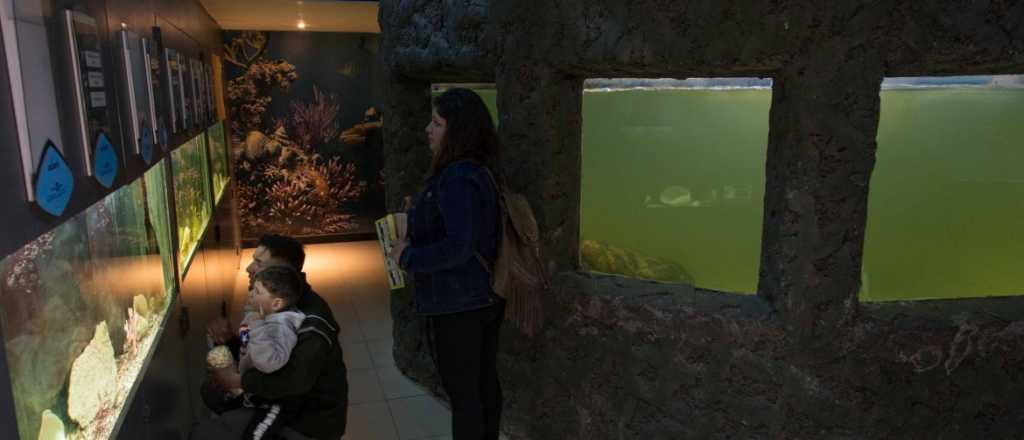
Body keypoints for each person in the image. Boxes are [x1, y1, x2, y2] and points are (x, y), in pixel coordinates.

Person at [389, 87, 506, 440]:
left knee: (465, 394)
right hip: (480, 297)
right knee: (482, 385)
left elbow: (459, 246)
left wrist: (408, 256)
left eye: (437, 123)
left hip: (461, 303)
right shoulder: (476, 170)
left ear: (458, 131)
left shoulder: (458, 177)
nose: (428, 129)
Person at [194, 234, 347, 440]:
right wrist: (230, 340)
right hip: (275, 398)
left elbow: (294, 382)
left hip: (305, 417)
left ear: (283, 272)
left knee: (205, 434)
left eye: (259, 263)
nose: (248, 268)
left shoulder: (311, 322)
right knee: (211, 392)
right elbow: (257, 344)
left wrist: (238, 381)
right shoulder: (267, 302)